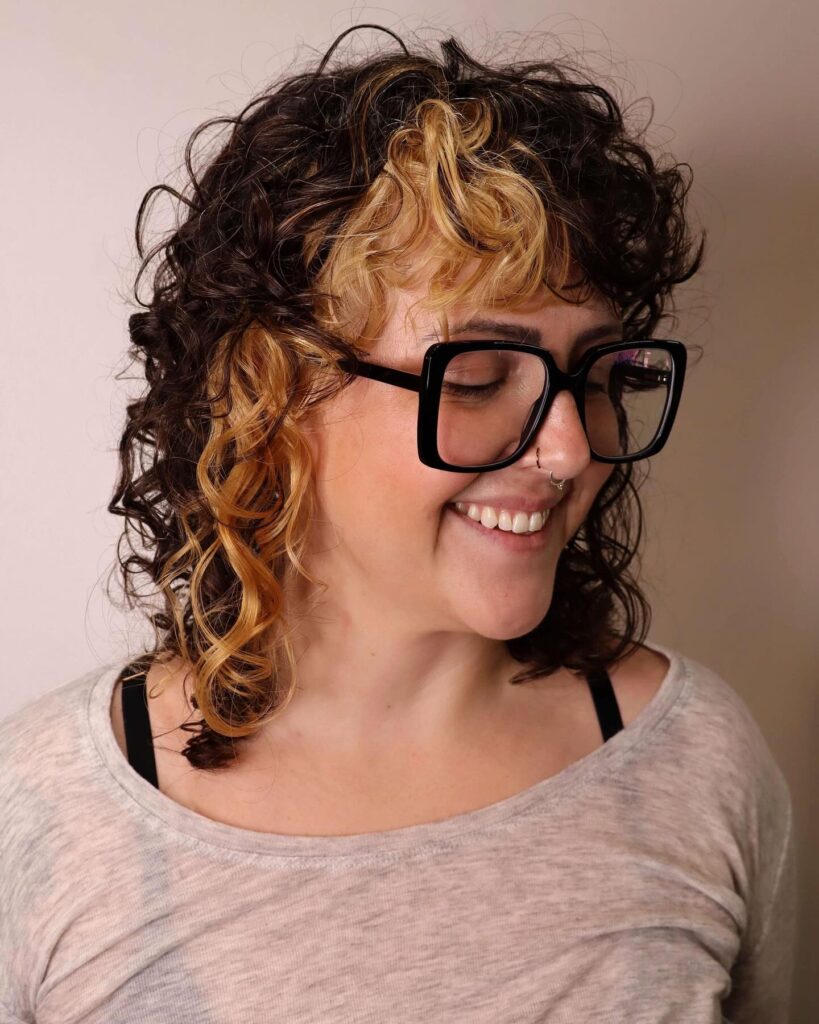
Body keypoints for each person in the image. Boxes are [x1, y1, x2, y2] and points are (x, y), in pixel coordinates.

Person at [0, 25, 796, 1023]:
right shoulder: (44, 814)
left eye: (593, 373)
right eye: (475, 375)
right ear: (272, 391)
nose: (568, 449)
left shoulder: (697, 765)